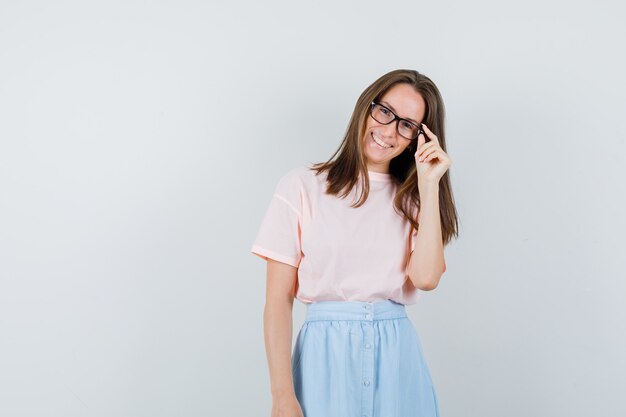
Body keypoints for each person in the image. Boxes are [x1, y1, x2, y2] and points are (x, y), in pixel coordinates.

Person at [251, 69, 458, 417]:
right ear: (366, 107)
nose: (389, 131)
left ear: (418, 139)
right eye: (385, 112)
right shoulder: (302, 186)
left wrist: (430, 184)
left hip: (397, 360)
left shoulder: (415, 201)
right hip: (323, 358)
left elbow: (426, 279)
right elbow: (277, 300)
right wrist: (282, 396)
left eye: (407, 125)